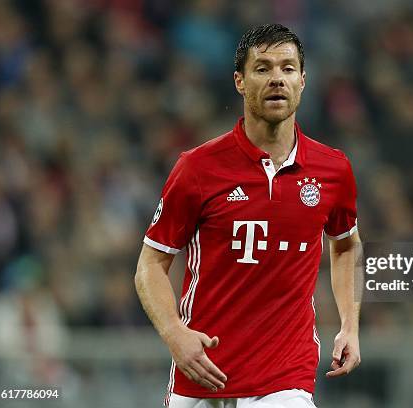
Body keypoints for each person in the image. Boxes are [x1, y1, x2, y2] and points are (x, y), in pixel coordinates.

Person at [135, 23, 361, 408]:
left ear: (303, 81)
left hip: (285, 377)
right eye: (263, 68)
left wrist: (350, 326)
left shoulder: (333, 170)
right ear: (240, 81)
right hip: (203, 373)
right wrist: (175, 333)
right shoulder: (198, 168)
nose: (277, 78)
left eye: (288, 69)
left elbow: (345, 246)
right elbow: (150, 265)